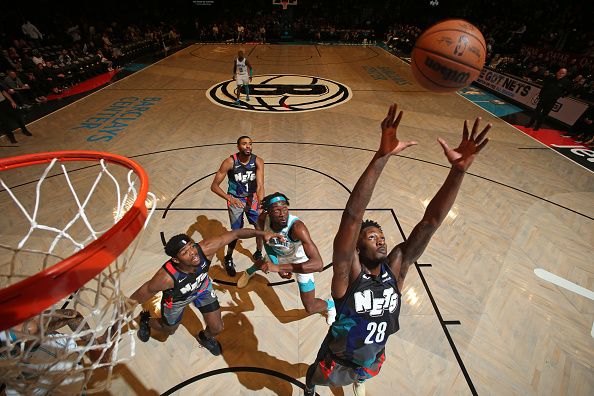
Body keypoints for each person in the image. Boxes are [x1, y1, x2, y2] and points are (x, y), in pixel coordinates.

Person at [304, 104, 491, 396]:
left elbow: (430, 222)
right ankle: (310, 387)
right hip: (338, 357)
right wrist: (381, 157)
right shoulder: (347, 273)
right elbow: (352, 217)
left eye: (381, 236)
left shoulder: (397, 269)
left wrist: (457, 172)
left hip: (374, 355)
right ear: (356, 245)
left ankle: (361, 378)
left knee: (366, 371)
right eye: (371, 237)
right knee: (315, 376)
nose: (380, 240)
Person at [130, 229, 282, 356]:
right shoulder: (164, 279)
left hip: (203, 289)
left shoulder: (205, 249)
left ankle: (205, 337)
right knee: (168, 330)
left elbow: (236, 234)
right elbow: (132, 301)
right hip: (177, 300)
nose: (193, 253)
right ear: (176, 260)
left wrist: (262, 233)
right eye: (185, 252)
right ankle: (145, 320)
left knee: (217, 328)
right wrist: (111, 330)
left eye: (191, 246)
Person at [237, 192, 337, 325]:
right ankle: (249, 272)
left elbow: (318, 264)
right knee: (263, 262)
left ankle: (330, 305)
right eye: (277, 210)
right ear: (268, 212)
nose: (282, 213)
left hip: (301, 262)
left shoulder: (297, 228)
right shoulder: (262, 219)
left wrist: (279, 267)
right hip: (280, 254)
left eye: (284, 209)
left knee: (310, 307)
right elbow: (267, 244)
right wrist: (276, 263)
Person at [211, 136, 265, 277]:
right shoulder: (229, 162)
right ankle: (228, 257)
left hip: (252, 199)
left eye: (250, 144)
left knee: (259, 227)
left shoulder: (258, 161)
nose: (248, 146)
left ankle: (259, 252)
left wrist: (261, 202)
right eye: (244, 144)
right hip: (235, 200)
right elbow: (214, 186)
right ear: (238, 146)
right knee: (236, 232)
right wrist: (229, 198)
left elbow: (260, 185)